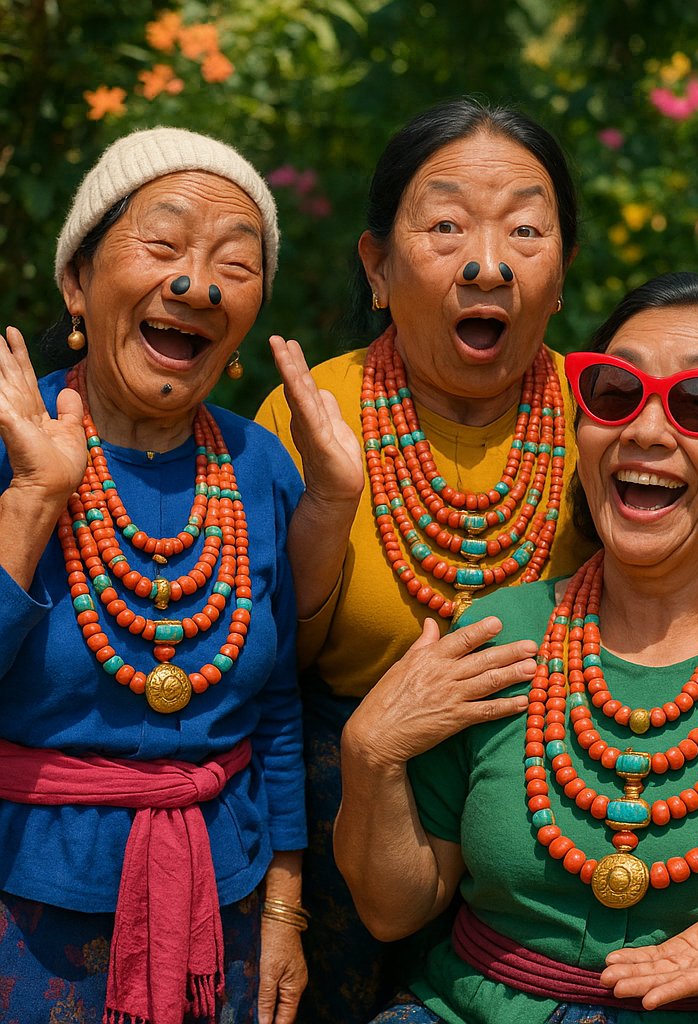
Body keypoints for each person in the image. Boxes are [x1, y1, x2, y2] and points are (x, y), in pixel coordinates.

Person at [334, 272, 698, 1024]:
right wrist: (369, 753)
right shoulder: (497, 635)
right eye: (616, 393)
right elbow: (393, 909)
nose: (647, 431)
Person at [256, 98, 593, 1019]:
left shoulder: (609, 418)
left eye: (525, 230)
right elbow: (264, 672)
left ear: (562, 272)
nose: (488, 263)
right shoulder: (310, 414)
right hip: (335, 814)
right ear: (378, 266)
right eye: (446, 226)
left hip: (545, 818)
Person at [0, 127, 310, 1023]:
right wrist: (34, 500)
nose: (197, 285)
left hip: (225, 905)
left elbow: (277, 706)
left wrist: (284, 911)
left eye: (234, 265)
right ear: (76, 281)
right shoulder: (9, 443)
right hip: (21, 904)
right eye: (163, 244)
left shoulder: (261, 466)